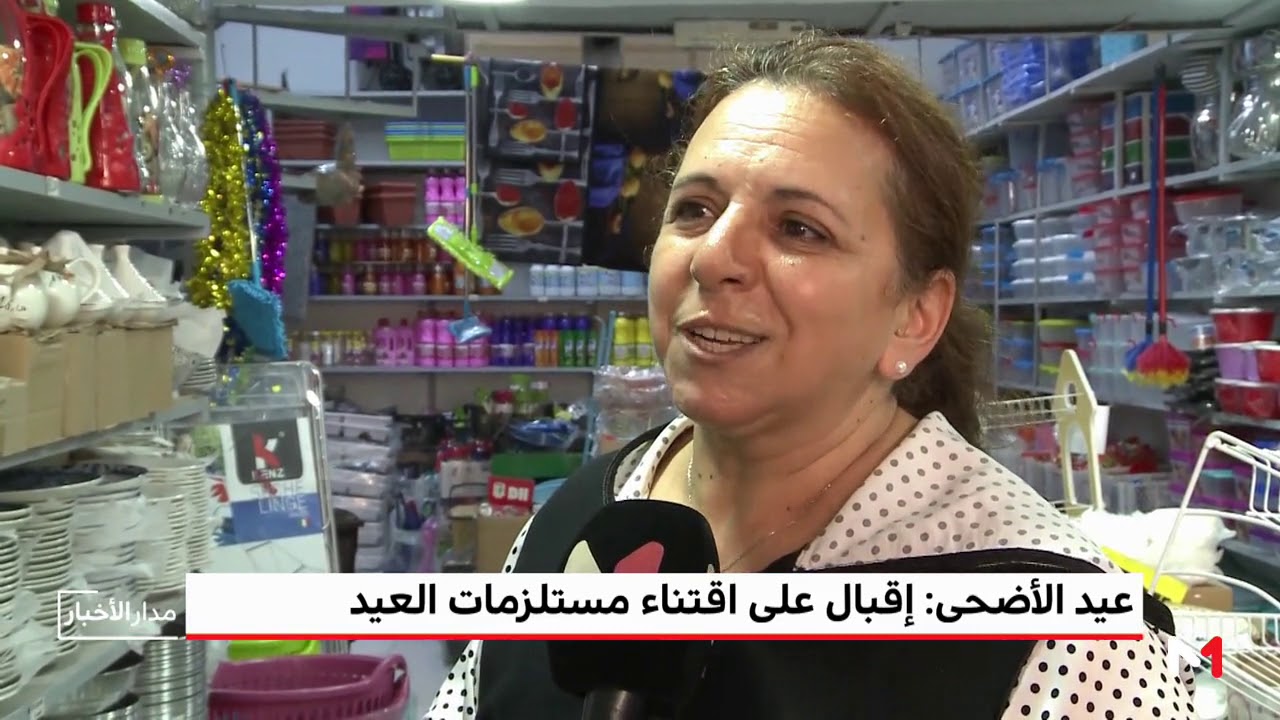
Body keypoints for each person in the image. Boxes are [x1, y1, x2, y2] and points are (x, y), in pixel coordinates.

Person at [426, 34, 1196, 719]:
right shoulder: (577, 521)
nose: (712, 258)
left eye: (799, 228)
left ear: (914, 317)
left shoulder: (1072, 640)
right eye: (694, 209)